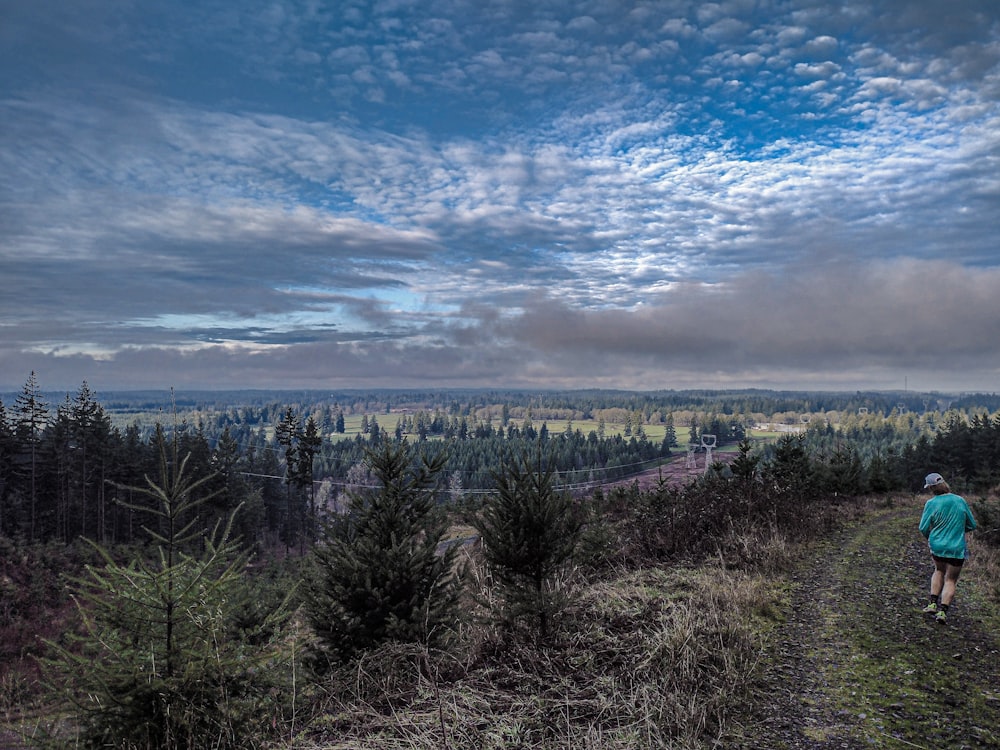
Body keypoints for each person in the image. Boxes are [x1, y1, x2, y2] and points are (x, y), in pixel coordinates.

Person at [918, 472, 976, 623]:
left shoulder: (931, 503)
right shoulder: (960, 500)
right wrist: (957, 530)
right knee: (951, 579)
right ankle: (942, 612)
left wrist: (931, 537)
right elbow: (972, 525)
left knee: (938, 570)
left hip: (937, 546)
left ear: (931, 488)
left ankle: (932, 604)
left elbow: (923, 528)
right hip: (956, 548)